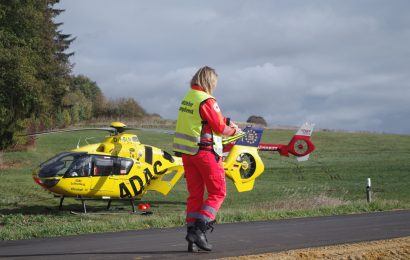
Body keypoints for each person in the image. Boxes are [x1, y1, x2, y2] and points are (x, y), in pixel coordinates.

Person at [173, 66, 240, 252]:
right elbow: (219, 127)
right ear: (209, 81)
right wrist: (235, 130)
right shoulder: (207, 100)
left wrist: (225, 120)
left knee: (195, 195)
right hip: (206, 153)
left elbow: (203, 119)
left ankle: (191, 238)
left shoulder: (188, 98)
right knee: (218, 192)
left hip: (188, 154)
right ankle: (199, 230)